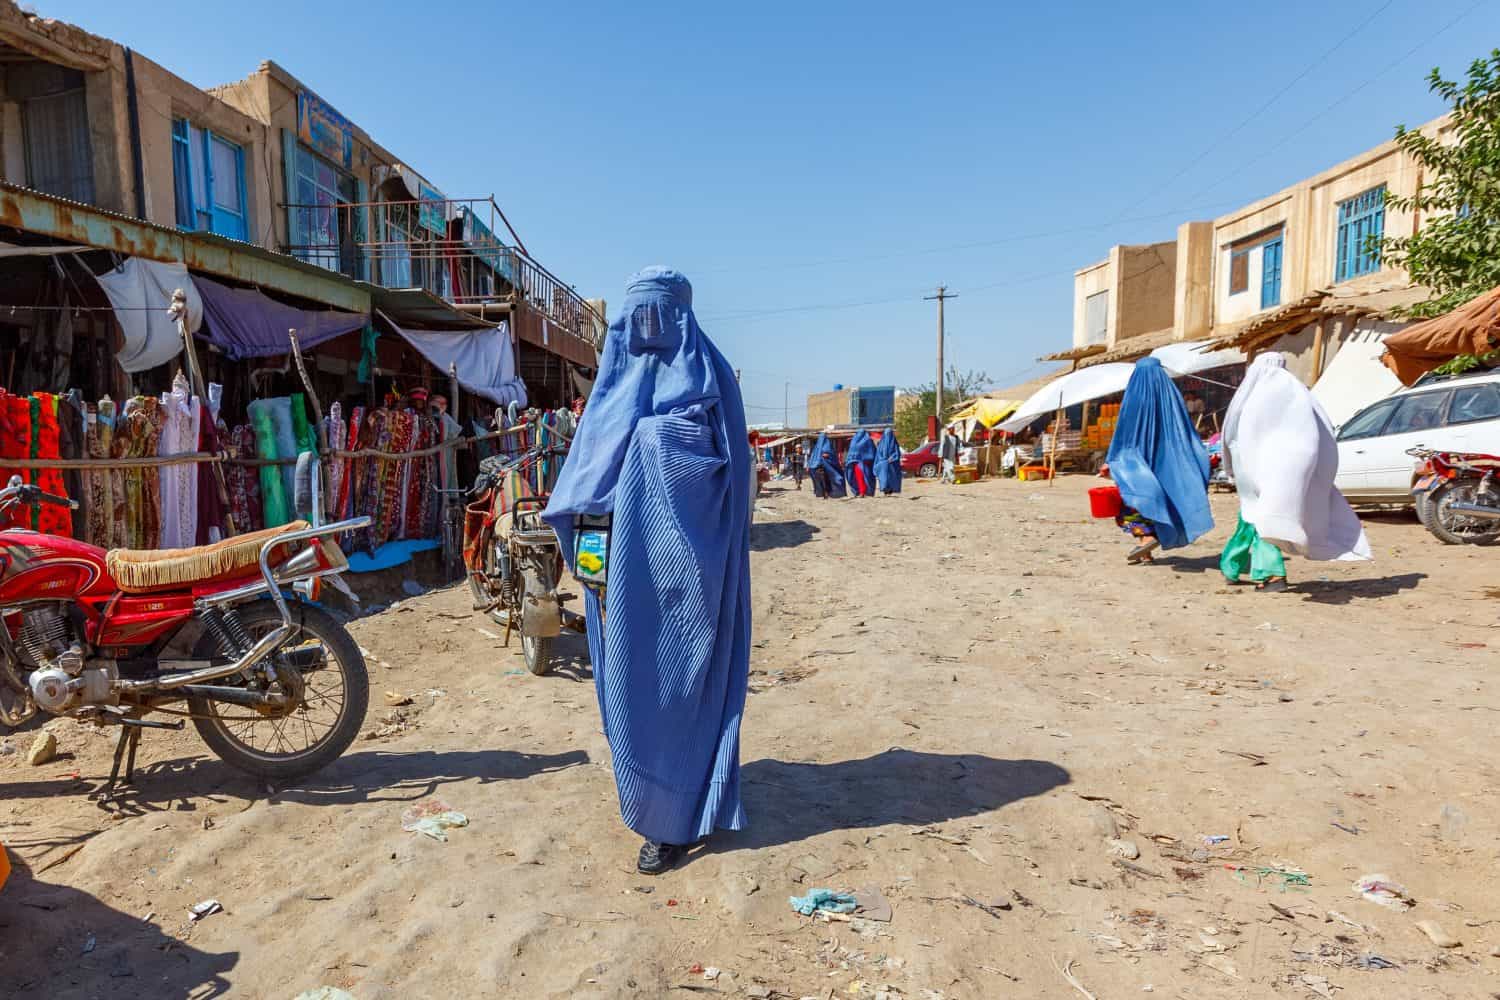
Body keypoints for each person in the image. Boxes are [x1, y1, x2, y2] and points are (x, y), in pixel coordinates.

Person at [543, 267, 751, 876]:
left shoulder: (714, 385)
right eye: (636, 319)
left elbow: (734, 490)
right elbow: (583, 490)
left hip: (690, 578)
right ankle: (651, 810)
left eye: (660, 316)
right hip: (617, 581)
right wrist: (591, 567)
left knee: (688, 690)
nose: (647, 334)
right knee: (631, 698)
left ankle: (683, 818)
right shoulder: (609, 394)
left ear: (683, 317)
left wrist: (658, 448)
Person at [1220, 352, 1371, 591]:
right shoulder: (1297, 394)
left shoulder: (1247, 398)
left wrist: (1230, 468)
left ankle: (1264, 573)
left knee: (1259, 519)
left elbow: (1229, 434)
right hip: (1279, 473)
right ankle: (1241, 567)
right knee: (1258, 519)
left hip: (1249, 473)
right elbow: (1320, 433)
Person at [1106, 357, 1214, 564]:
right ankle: (1144, 548)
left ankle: (1146, 538)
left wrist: (1112, 459)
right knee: (1166, 495)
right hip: (1170, 461)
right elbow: (1186, 431)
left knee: (1134, 497)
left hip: (1136, 460)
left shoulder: (1134, 397)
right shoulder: (1171, 396)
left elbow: (1124, 434)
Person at [806, 432, 846, 498]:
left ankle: (827, 492)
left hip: (827, 467)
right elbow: (813, 457)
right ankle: (820, 492)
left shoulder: (828, 445)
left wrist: (828, 455)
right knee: (819, 480)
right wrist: (809, 465)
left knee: (826, 480)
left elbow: (832, 455)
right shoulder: (817, 447)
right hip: (817, 466)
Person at [844, 429, 876, 497]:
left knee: (862, 478)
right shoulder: (868, 440)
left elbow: (851, 452)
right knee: (862, 478)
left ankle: (863, 492)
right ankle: (863, 492)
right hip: (860, 464)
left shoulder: (854, 441)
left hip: (861, 464)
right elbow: (873, 452)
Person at [874, 428, 902, 494]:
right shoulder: (881, 443)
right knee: (884, 477)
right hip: (883, 463)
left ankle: (890, 490)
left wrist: (892, 458)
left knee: (892, 477)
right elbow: (878, 453)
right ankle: (885, 489)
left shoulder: (894, 443)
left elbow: (897, 452)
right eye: (886, 434)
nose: (888, 435)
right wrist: (883, 460)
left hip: (892, 463)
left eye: (889, 434)